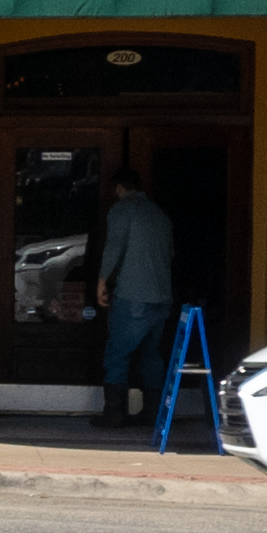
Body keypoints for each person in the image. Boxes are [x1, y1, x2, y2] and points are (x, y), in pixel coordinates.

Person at [90, 171, 176, 428]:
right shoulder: (159, 214)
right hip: (162, 296)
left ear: (118, 188)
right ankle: (153, 413)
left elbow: (115, 245)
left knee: (117, 353)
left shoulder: (122, 210)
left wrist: (102, 279)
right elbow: (170, 253)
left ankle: (114, 413)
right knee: (151, 354)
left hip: (133, 295)